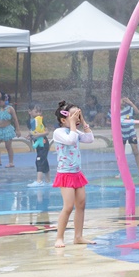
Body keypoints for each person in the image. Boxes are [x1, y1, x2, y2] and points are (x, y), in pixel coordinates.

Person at [51, 101, 95, 247]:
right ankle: (59, 238)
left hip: (77, 173)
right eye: (74, 116)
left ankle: (78, 236)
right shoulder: (59, 133)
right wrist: (72, 126)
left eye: (78, 115)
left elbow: (90, 139)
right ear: (64, 119)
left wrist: (83, 122)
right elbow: (70, 141)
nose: (76, 118)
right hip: (65, 174)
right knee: (68, 206)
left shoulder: (75, 131)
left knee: (81, 204)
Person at [0, 93, 20, 167]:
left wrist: (18, 129)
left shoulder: (10, 109)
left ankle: (11, 162)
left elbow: (15, 119)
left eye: (0, 101)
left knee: (8, 146)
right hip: (0, 129)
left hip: (7, 129)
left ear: (5, 100)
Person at [119, 96, 139, 175]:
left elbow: (137, 112)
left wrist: (131, 103)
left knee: (135, 151)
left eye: (124, 101)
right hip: (121, 133)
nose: (123, 103)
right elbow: (109, 121)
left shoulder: (129, 108)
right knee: (121, 153)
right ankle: (121, 171)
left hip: (131, 132)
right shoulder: (114, 110)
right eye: (122, 101)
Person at [27, 104, 49, 187]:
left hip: (44, 143)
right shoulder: (29, 121)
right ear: (30, 112)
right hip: (38, 144)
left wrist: (39, 135)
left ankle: (39, 181)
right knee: (44, 161)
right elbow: (32, 131)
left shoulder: (40, 120)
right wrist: (30, 136)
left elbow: (47, 132)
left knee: (39, 160)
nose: (39, 113)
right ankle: (48, 180)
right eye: (36, 112)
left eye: (40, 112)